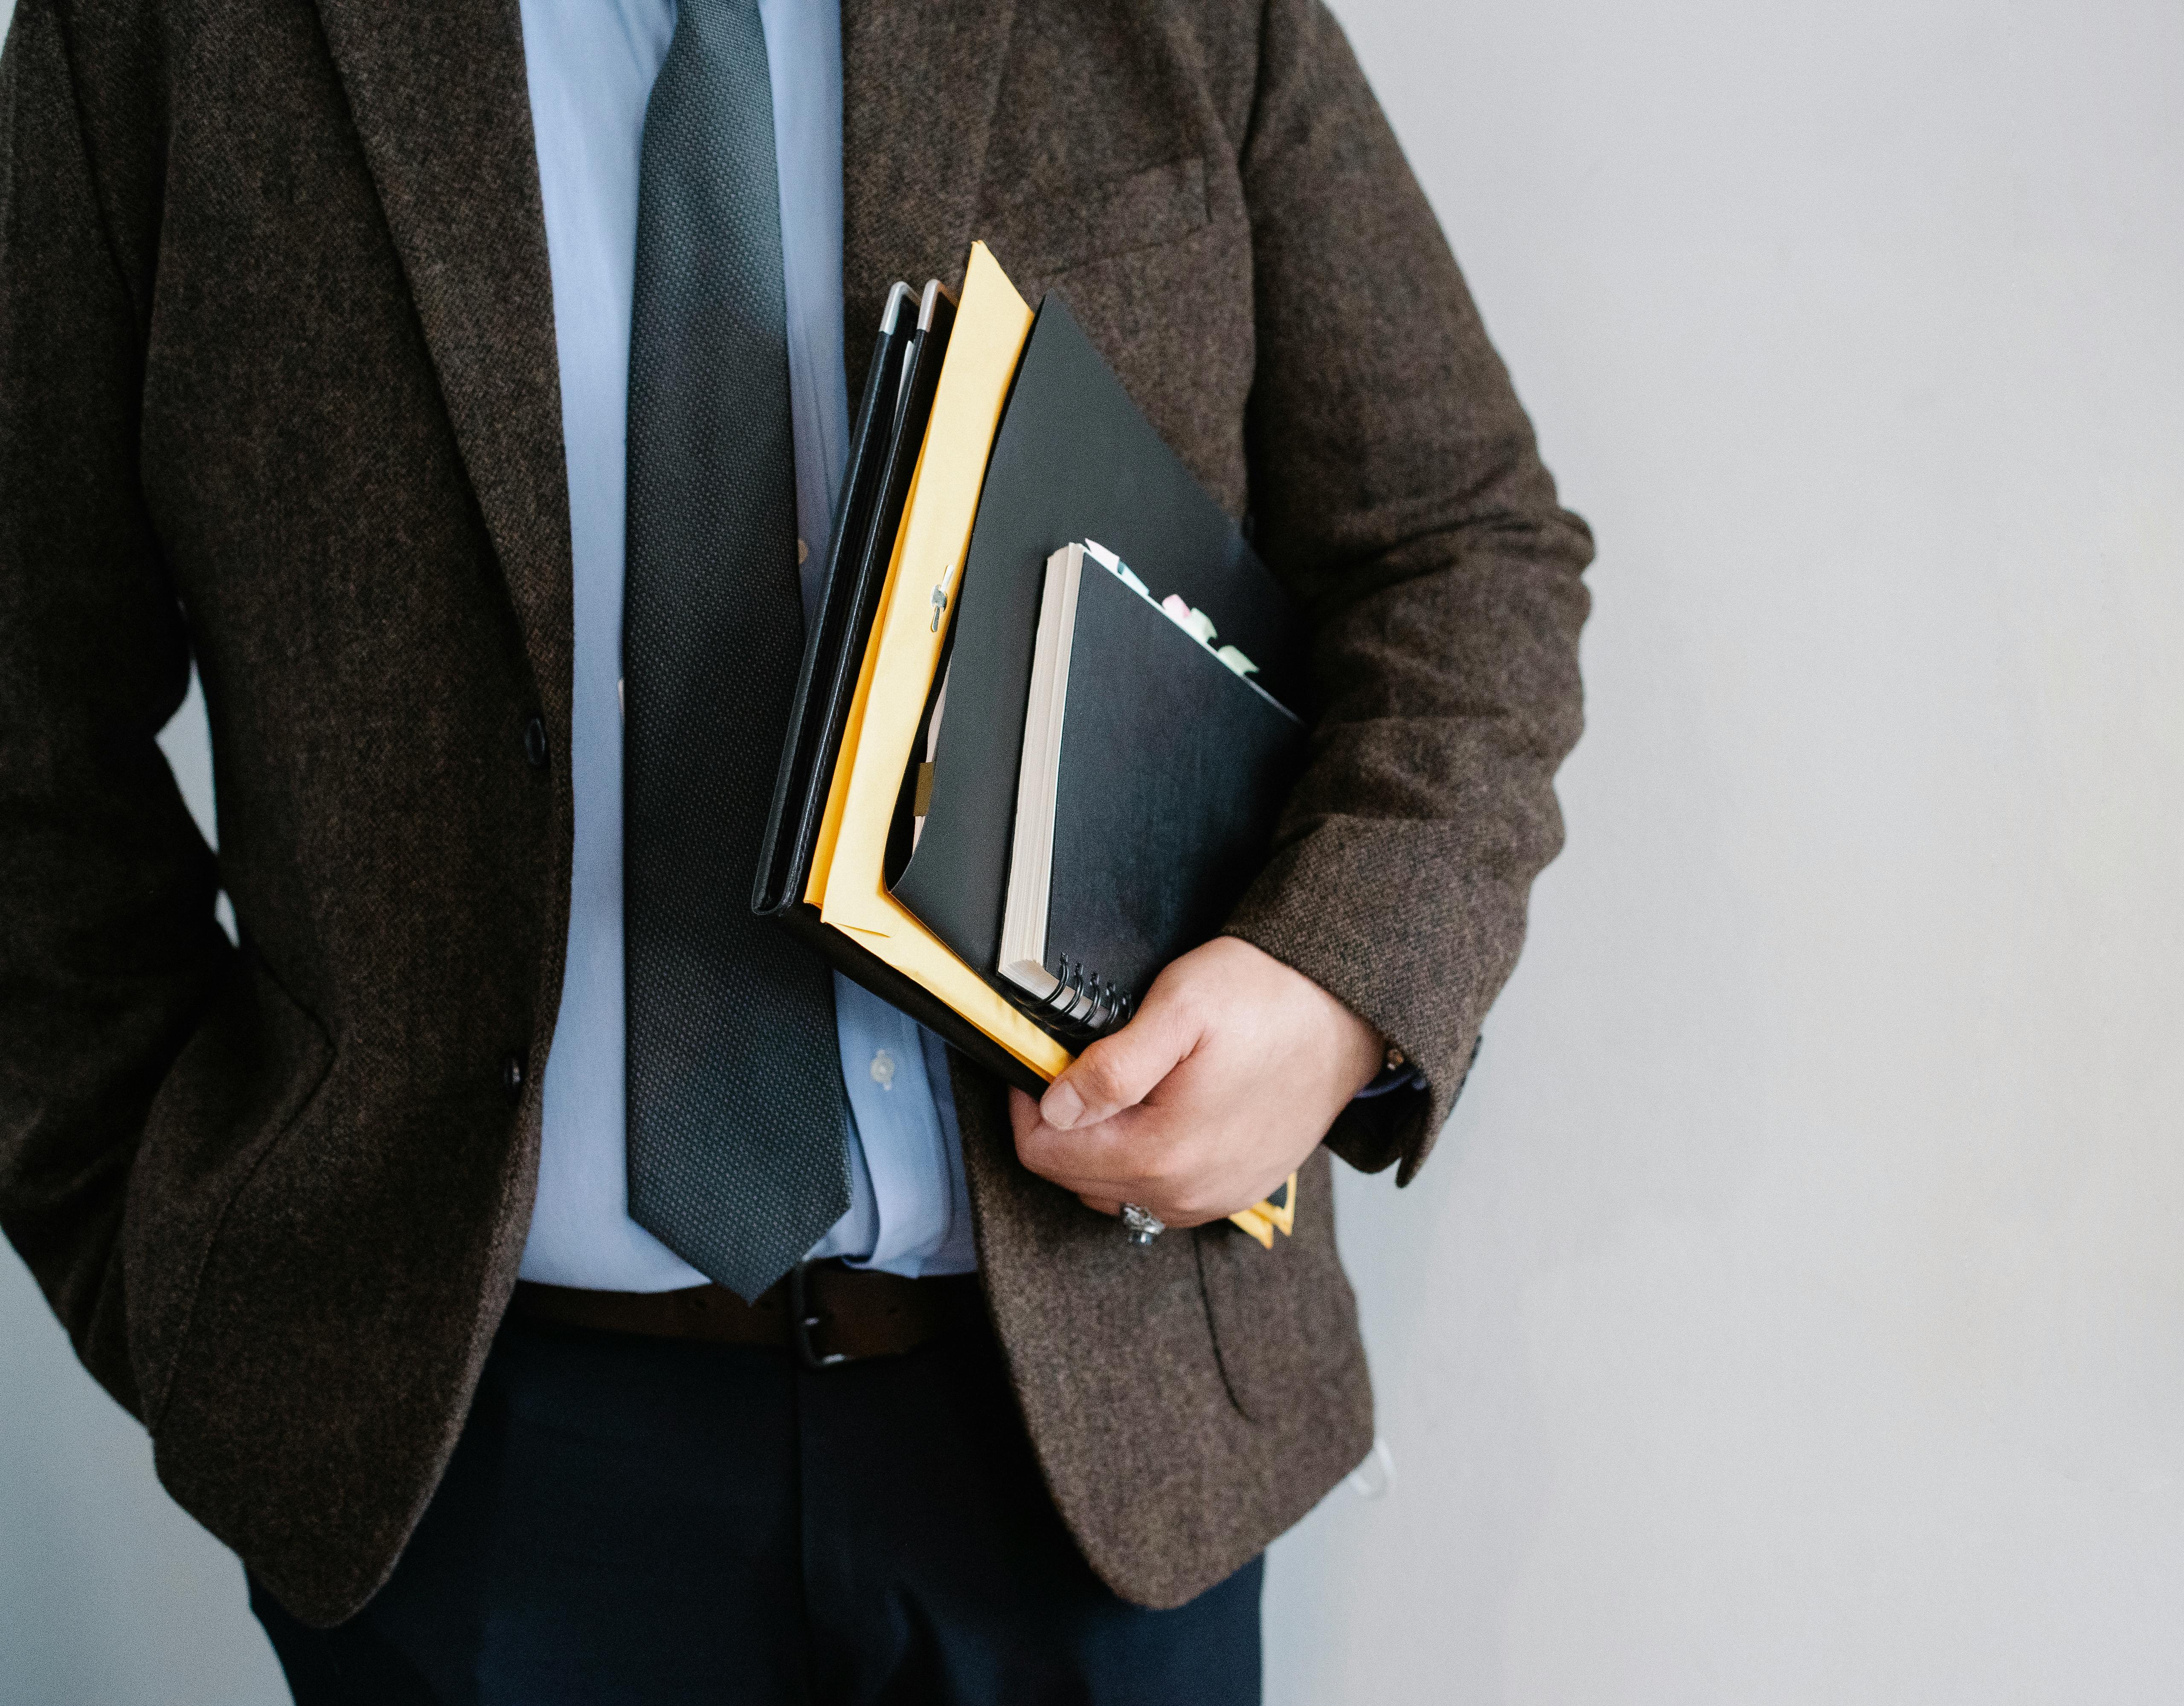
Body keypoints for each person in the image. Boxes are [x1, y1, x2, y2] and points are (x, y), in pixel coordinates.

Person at [0, 0, 1590, 1696]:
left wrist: (1339, 983)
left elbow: (1460, 547)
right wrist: (186, 1284)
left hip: (1098, 1435)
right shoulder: (160, 34)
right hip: (471, 1478)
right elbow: (29, 704)